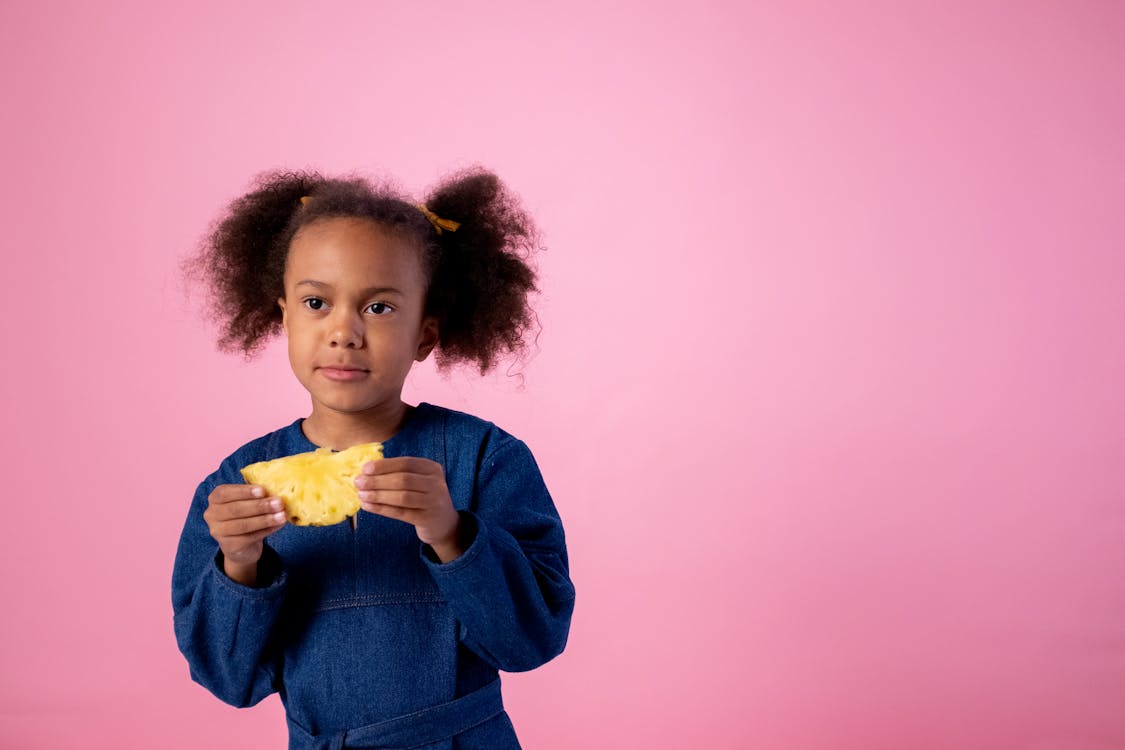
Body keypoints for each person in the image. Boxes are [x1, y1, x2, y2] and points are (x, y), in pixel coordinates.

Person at [171, 167, 575, 750]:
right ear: (282, 316)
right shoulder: (238, 483)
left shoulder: (486, 457)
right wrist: (239, 563)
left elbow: (532, 640)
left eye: (380, 308)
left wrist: (452, 532)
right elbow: (228, 680)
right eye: (316, 302)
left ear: (425, 335)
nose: (344, 332)